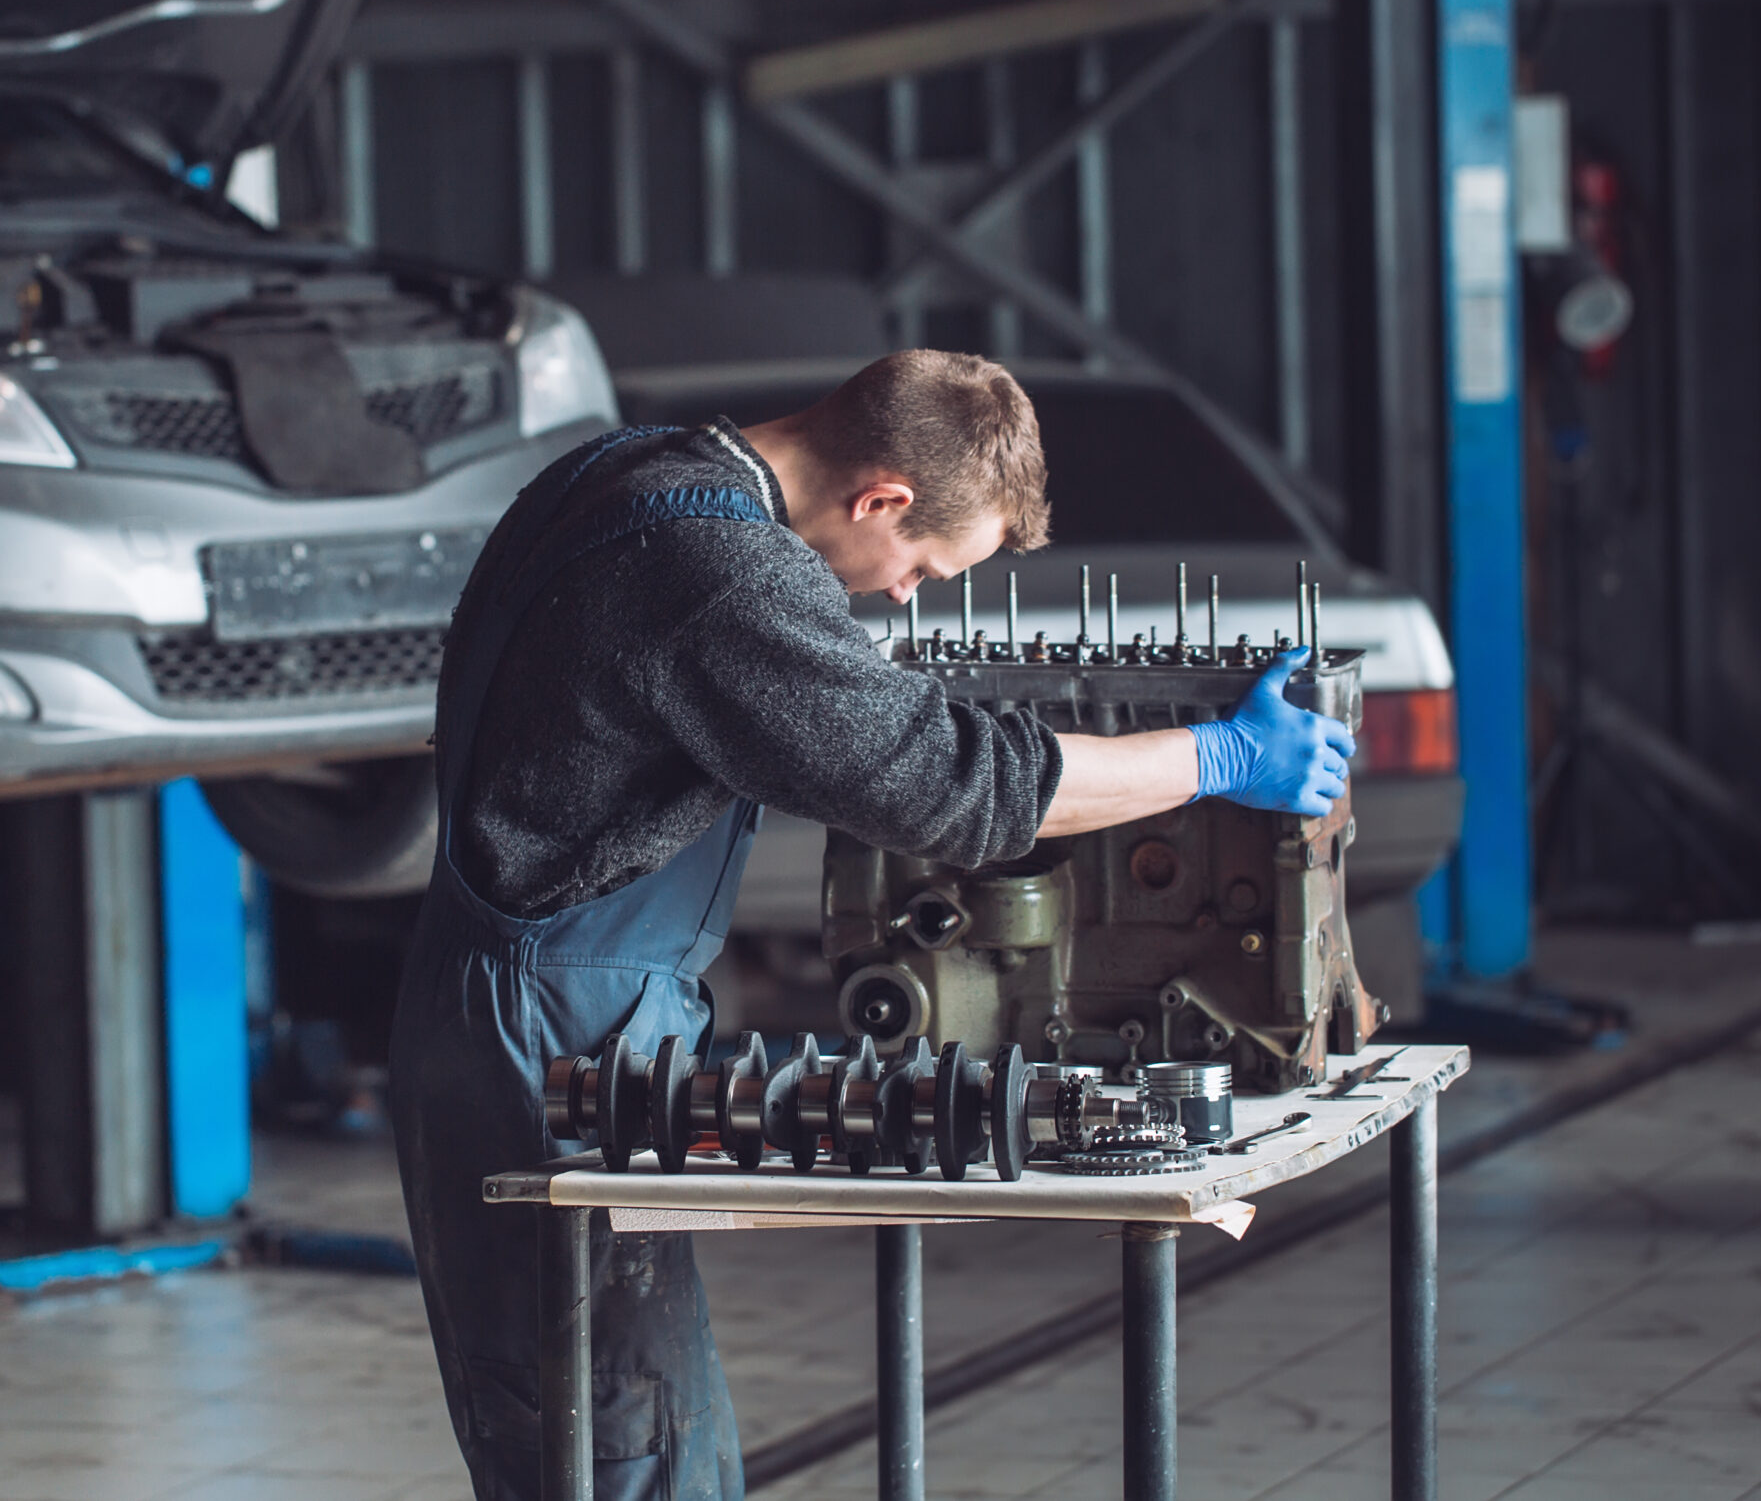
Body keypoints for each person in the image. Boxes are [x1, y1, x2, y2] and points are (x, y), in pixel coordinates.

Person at [389, 349, 1353, 1501]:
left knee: (602, 1419)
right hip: (545, 1017)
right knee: (609, 1440)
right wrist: (1218, 757)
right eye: (922, 566)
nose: (906, 595)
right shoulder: (720, 573)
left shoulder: (634, 471)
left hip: (544, 988)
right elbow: (951, 788)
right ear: (882, 497)